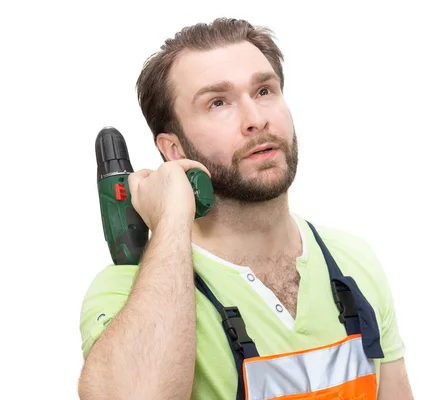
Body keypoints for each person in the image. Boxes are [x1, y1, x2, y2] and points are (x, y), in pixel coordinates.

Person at [78, 17, 414, 400]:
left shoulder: (353, 261)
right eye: (218, 102)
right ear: (174, 150)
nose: (256, 120)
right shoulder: (127, 292)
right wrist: (171, 217)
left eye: (264, 90)